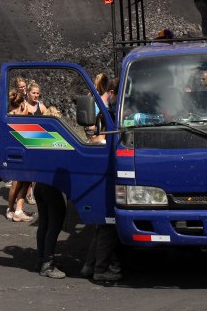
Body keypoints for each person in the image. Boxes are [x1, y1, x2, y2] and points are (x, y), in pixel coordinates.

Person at [81, 73, 122, 282]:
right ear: (113, 93)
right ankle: (102, 268)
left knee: (102, 225)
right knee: (108, 222)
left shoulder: (101, 106)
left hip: (101, 166)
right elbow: (95, 136)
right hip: (103, 167)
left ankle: (90, 265)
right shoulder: (104, 109)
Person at [5, 90, 34, 222]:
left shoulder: (8, 115)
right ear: (21, 104)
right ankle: (16, 210)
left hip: (15, 152)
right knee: (21, 183)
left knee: (19, 183)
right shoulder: (18, 117)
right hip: (20, 152)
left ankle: (13, 209)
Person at [33, 181, 67, 278]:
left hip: (40, 184)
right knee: (54, 225)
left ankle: (42, 260)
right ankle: (47, 265)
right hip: (54, 186)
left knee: (44, 223)